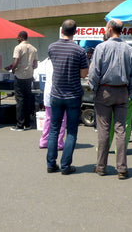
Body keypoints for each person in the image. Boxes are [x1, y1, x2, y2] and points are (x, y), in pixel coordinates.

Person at [88, 19, 132, 179]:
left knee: (103, 129)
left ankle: (101, 166)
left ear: (109, 29)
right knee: (120, 129)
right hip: (122, 91)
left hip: (104, 91)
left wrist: (94, 89)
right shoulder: (129, 50)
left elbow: (94, 72)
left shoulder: (101, 47)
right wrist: (129, 91)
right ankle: (122, 168)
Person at [46, 19, 88, 175]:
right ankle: (65, 166)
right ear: (75, 32)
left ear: (62, 30)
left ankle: (51, 164)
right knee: (71, 131)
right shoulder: (79, 51)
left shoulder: (52, 47)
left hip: (56, 93)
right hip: (73, 94)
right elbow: (84, 74)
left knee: (54, 130)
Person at [5, 31, 38, 131]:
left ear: (21, 37)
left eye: (18, 37)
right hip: (29, 76)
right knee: (27, 99)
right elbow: (35, 64)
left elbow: (16, 61)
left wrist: (13, 69)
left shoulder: (18, 47)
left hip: (19, 76)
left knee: (20, 100)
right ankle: (27, 123)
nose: (17, 38)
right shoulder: (33, 48)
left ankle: (20, 124)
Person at [39, 58, 66, 150]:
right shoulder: (63, 61)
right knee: (61, 120)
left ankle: (44, 141)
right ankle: (58, 142)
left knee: (48, 118)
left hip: (48, 93)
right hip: (60, 94)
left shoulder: (47, 62)